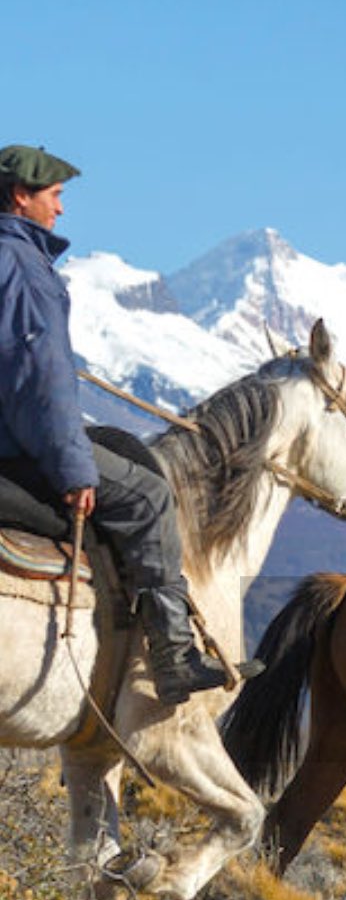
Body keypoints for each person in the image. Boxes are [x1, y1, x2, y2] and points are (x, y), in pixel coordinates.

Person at [0, 142, 229, 704]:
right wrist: (73, 469)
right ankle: (173, 657)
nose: (61, 209)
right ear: (19, 196)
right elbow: (40, 379)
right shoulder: (23, 268)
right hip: (12, 449)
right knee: (148, 493)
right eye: (53, 195)